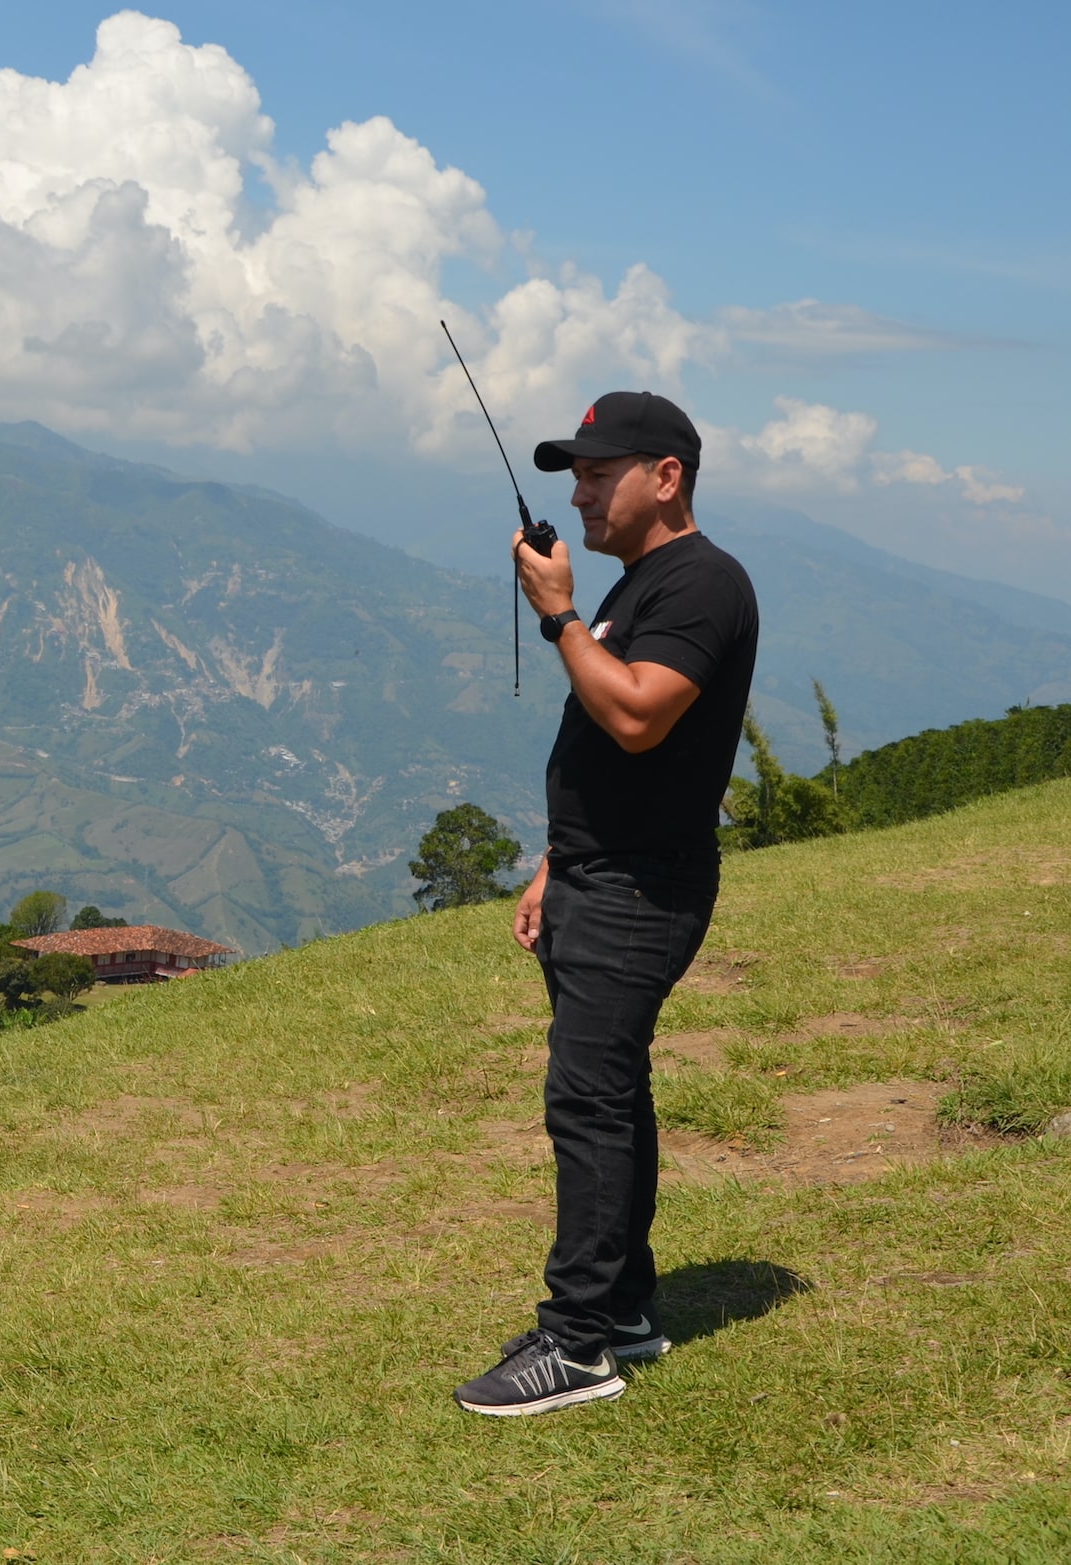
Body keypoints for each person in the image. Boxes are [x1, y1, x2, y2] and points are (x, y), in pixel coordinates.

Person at [453, 392, 759, 1417]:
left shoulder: (703, 585)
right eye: (571, 476)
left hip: (638, 891)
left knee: (584, 1101)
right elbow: (610, 748)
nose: (577, 493)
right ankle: (623, 1306)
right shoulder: (643, 584)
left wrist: (556, 613)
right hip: (599, 874)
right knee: (613, 1093)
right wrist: (556, 858)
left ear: (664, 475)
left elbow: (632, 715)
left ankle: (576, 1344)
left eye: (597, 472)